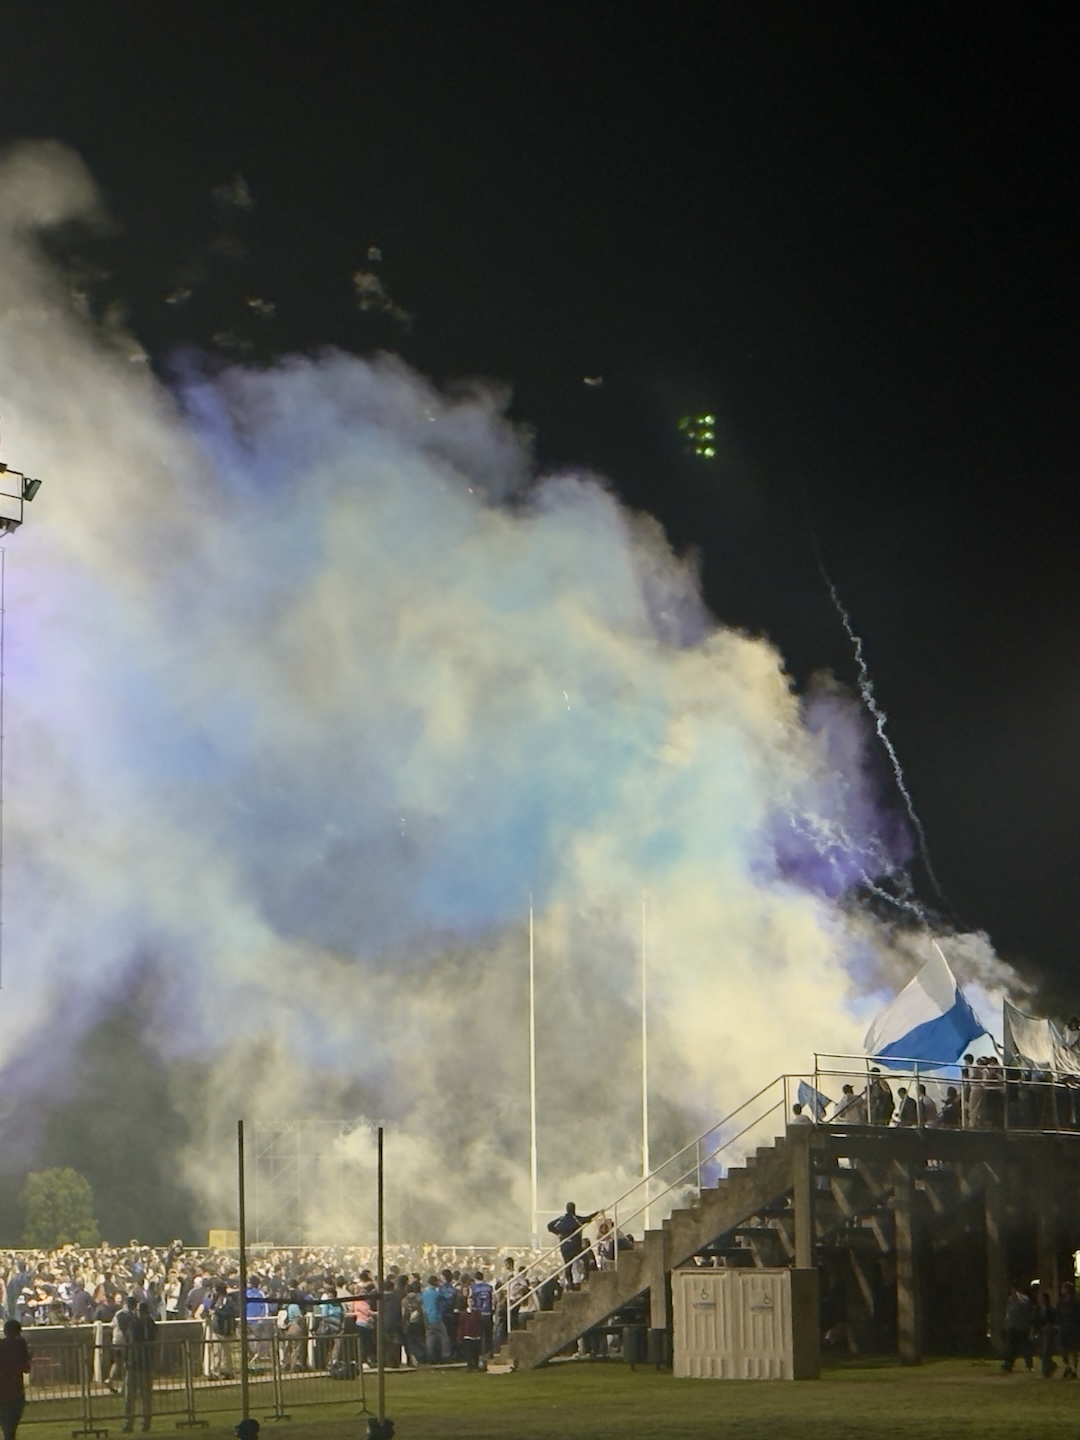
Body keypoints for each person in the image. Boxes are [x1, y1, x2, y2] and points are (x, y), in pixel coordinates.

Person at [123, 1301, 156, 1433]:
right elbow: (132, 1340)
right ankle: (131, 1423)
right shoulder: (135, 1324)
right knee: (133, 1396)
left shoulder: (148, 1325)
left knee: (142, 1396)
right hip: (136, 1364)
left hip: (141, 1364)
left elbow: (148, 1339)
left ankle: (142, 1422)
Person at [547, 1203, 598, 1290]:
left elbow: (549, 1226)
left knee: (567, 1265)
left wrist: (558, 1233)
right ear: (574, 1209)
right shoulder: (576, 1219)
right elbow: (587, 1219)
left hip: (564, 1246)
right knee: (585, 1257)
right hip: (575, 1245)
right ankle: (586, 1275)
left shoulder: (561, 1219)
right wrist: (597, 1213)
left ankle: (570, 1284)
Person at [0, 1319, 30, 1440]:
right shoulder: (20, 1344)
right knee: (11, 1427)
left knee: (6, 1424)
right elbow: (26, 1368)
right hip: (15, 1390)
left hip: (2, 1390)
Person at [1000, 1283, 1034, 1373]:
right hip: (1013, 1327)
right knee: (1011, 1347)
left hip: (1022, 1327)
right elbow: (1009, 1313)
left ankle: (1029, 1364)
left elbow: (1028, 1312)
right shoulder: (1010, 1299)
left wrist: (1028, 1325)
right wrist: (1006, 1324)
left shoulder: (1025, 1300)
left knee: (1025, 1347)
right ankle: (1008, 1365)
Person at [457, 1295, 484, 1371]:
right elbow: (461, 1325)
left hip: (476, 1336)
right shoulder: (463, 1314)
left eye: (472, 1301)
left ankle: (476, 1365)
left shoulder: (477, 1313)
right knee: (469, 1352)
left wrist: (480, 1333)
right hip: (468, 1336)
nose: (470, 1303)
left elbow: (480, 1323)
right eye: (469, 1301)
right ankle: (469, 1366)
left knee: (476, 1352)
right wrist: (460, 1336)